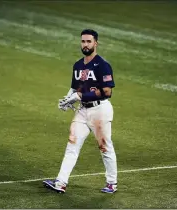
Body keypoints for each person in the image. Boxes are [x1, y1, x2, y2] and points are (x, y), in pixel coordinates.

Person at [43, 29, 117, 194]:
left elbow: (107, 92)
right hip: (83, 111)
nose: (85, 44)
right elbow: (74, 88)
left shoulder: (103, 65)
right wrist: (67, 98)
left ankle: (112, 183)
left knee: (105, 147)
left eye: (88, 41)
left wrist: (79, 95)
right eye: (83, 41)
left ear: (95, 43)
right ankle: (61, 183)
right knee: (72, 144)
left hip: (100, 110)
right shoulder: (77, 65)